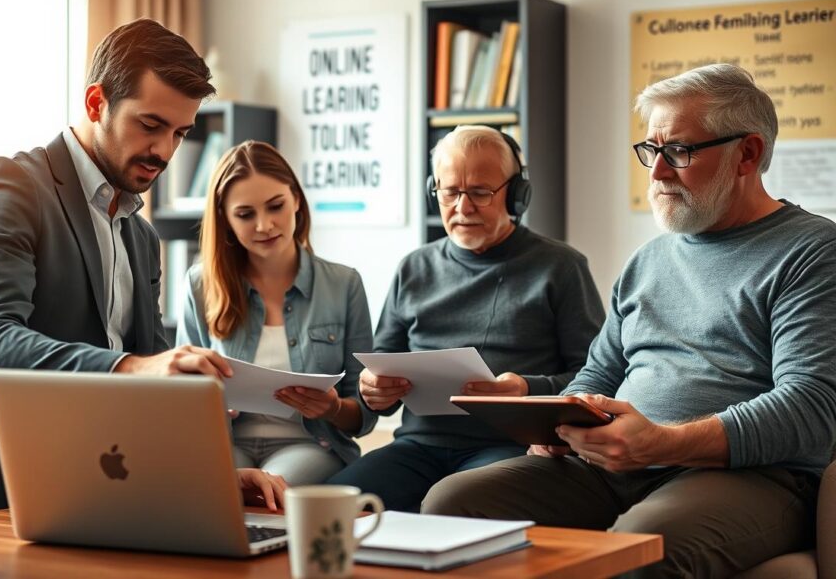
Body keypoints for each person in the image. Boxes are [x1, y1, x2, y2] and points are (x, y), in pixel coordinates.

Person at [422, 64, 836, 578]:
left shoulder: (813, 251)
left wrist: (663, 442)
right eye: (651, 151)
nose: (657, 172)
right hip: (614, 467)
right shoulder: (649, 260)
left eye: (679, 152)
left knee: (636, 550)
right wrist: (559, 421)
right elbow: (599, 373)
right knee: (451, 504)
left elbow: (812, 406)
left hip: (752, 475)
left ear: (747, 154)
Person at [0, 19, 285, 522]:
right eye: (150, 125)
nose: (165, 152)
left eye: (180, 133)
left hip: (95, 491)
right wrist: (132, 368)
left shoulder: (141, 237)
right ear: (95, 104)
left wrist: (211, 474)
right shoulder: (11, 185)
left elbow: (153, 389)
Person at [327, 126, 605, 511]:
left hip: (511, 447)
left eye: (479, 192)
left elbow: (596, 380)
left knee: (454, 506)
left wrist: (528, 387)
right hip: (418, 447)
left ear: (517, 194)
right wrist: (374, 390)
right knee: (328, 506)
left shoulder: (561, 267)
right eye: (449, 192)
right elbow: (377, 383)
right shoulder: (414, 268)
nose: (462, 207)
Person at [177, 140, 376, 486]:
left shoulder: (344, 284)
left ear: (296, 199)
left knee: (272, 490)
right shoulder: (199, 284)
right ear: (224, 218)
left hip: (312, 444)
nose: (265, 225)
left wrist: (332, 409)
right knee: (204, 485)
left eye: (275, 207)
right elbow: (181, 394)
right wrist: (205, 409)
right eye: (245, 214)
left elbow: (366, 412)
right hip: (225, 441)